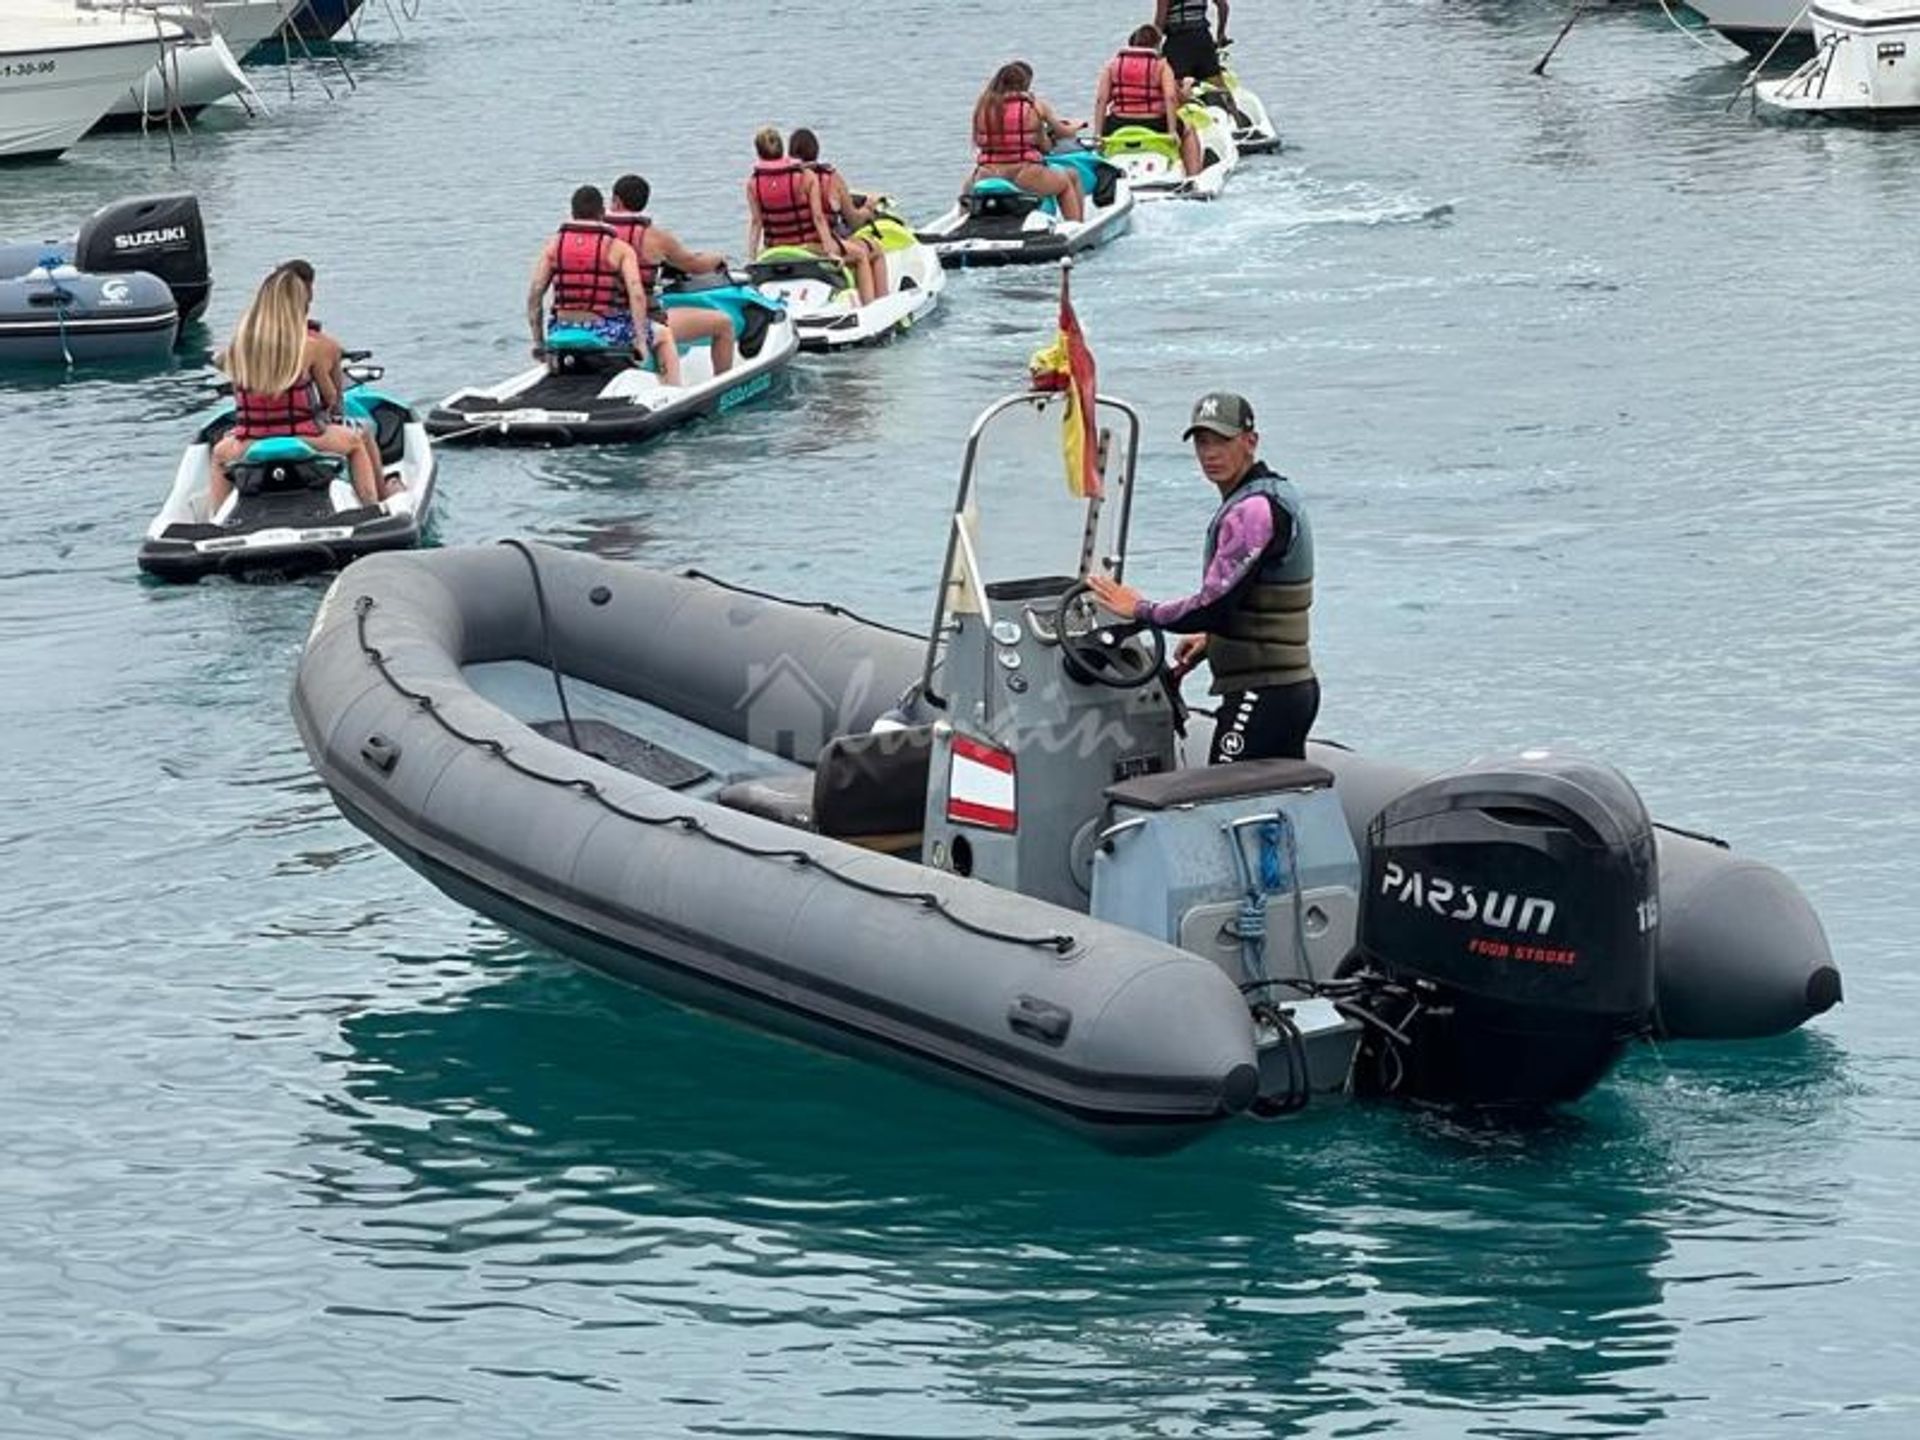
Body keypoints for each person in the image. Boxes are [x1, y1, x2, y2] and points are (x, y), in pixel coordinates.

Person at [1085, 392, 1319, 764]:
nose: (1210, 453)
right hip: (1285, 690)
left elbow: (1213, 607)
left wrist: (1141, 609)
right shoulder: (1270, 495)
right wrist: (1212, 643)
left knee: (1224, 805)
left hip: (1262, 694)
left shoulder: (1253, 511)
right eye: (1202, 442)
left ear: (1250, 441)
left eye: (1222, 441)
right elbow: (1252, 598)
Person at [208, 267, 381, 515]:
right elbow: (330, 397)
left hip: (251, 440)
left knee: (218, 456)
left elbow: (227, 373)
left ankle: (217, 519)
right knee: (355, 443)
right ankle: (371, 508)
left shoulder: (238, 350)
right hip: (304, 436)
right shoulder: (310, 347)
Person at [526, 184, 677, 386]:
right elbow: (637, 296)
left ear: (572, 212)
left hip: (560, 328)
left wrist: (539, 343)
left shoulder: (554, 246)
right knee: (664, 335)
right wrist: (640, 342)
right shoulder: (619, 249)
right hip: (603, 330)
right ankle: (673, 391)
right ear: (602, 214)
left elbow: (535, 295)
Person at [272, 258, 387, 498]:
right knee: (362, 433)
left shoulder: (248, 345)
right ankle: (381, 498)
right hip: (308, 431)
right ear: (308, 295)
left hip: (258, 433)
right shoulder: (323, 346)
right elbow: (333, 402)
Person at [606, 173, 736, 377]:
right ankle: (721, 385)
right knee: (724, 324)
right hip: (643, 323)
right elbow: (695, 265)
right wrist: (718, 259)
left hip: (601, 321)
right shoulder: (656, 238)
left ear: (615, 201)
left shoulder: (597, 237)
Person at [746, 127, 877, 306]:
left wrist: (752, 259)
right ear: (781, 149)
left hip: (775, 250)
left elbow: (756, 223)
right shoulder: (806, 178)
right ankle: (870, 309)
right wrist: (831, 253)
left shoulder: (753, 183)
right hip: (809, 248)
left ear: (758, 152)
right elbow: (818, 218)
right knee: (861, 255)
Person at [970, 61, 1086, 224]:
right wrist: (1075, 126)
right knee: (1069, 179)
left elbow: (978, 140)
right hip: (1024, 174)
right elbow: (1057, 137)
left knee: (967, 186)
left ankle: (963, 220)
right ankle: (1076, 227)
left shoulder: (982, 107)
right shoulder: (1035, 107)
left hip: (988, 173)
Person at [787, 127, 888, 298]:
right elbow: (853, 219)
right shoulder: (831, 178)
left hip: (786, 246)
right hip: (820, 246)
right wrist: (868, 210)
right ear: (816, 150)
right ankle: (876, 306)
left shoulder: (785, 180)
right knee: (873, 250)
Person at [1094, 24, 1202, 176]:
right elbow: (1170, 98)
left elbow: (1101, 100)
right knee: (1189, 130)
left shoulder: (1113, 65)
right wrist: (1172, 132)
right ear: (1157, 44)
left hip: (1117, 125)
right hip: (1155, 124)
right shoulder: (1161, 66)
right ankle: (1194, 176)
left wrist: (1098, 135)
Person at [1155, 0, 1230, 84]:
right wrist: (1220, 33)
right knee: (1215, 84)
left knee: (1175, 85)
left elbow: (1159, 23)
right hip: (1203, 40)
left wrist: (1154, 48)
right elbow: (1223, 6)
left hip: (1178, 44)